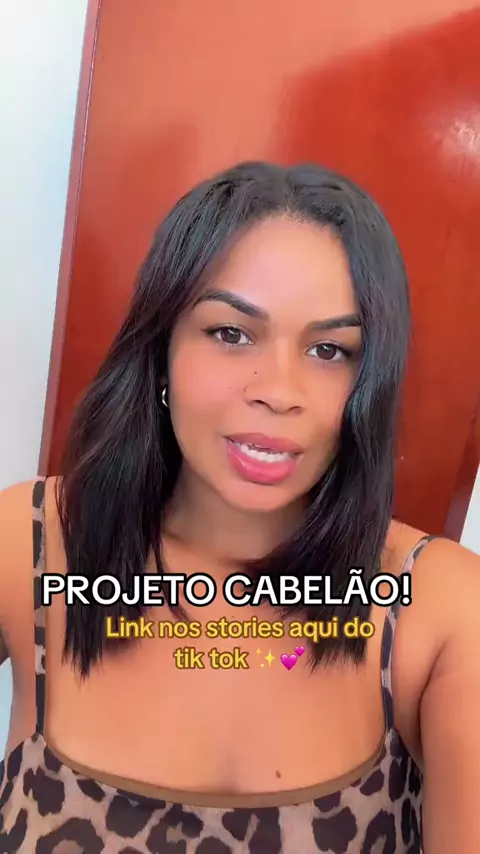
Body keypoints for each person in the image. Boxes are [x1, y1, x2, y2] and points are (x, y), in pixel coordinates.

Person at [0, 161, 478, 853]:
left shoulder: (443, 608)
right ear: (161, 351)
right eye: (231, 334)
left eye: (329, 349)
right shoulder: (31, 543)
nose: (278, 391)